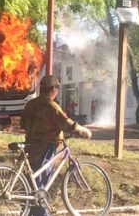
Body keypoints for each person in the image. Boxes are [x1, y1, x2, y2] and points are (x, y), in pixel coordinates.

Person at [20, 75, 92, 216]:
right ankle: (42, 213)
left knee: (31, 182)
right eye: (57, 88)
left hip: (30, 146)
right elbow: (67, 123)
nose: (57, 90)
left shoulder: (31, 104)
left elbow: (23, 124)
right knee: (41, 183)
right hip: (46, 147)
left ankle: (28, 212)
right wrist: (84, 131)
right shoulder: (52, 106)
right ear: (53, 89)